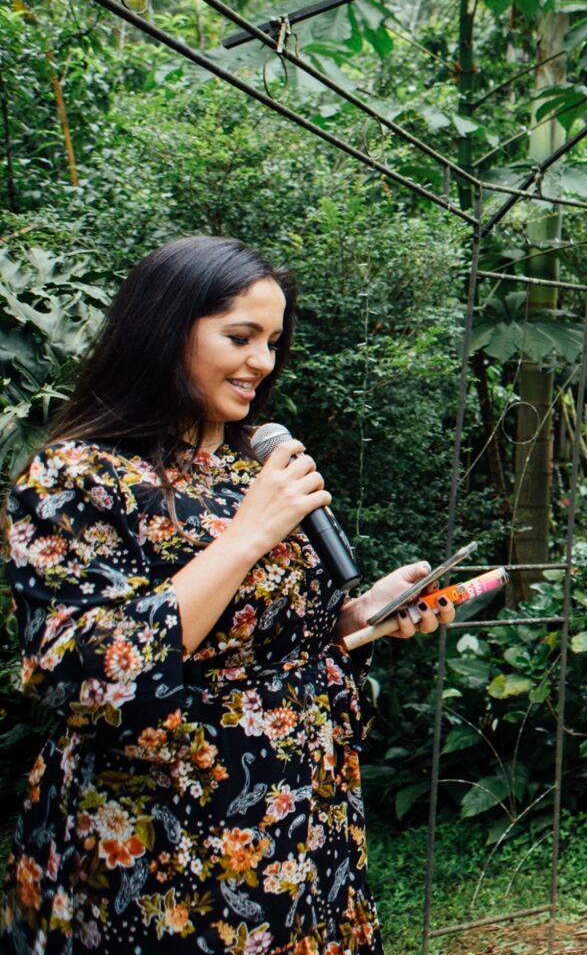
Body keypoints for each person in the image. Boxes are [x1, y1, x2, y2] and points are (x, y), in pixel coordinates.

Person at [4, 236, 449, 954]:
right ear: (164, 328)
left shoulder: (246, 472)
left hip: (303, 817)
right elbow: (78, 673)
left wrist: (362, 616)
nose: (263, 363)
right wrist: (243, 538)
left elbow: (259, 637)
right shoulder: (76, 477)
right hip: (169, 838)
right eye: (240, 337)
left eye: (272, 342)